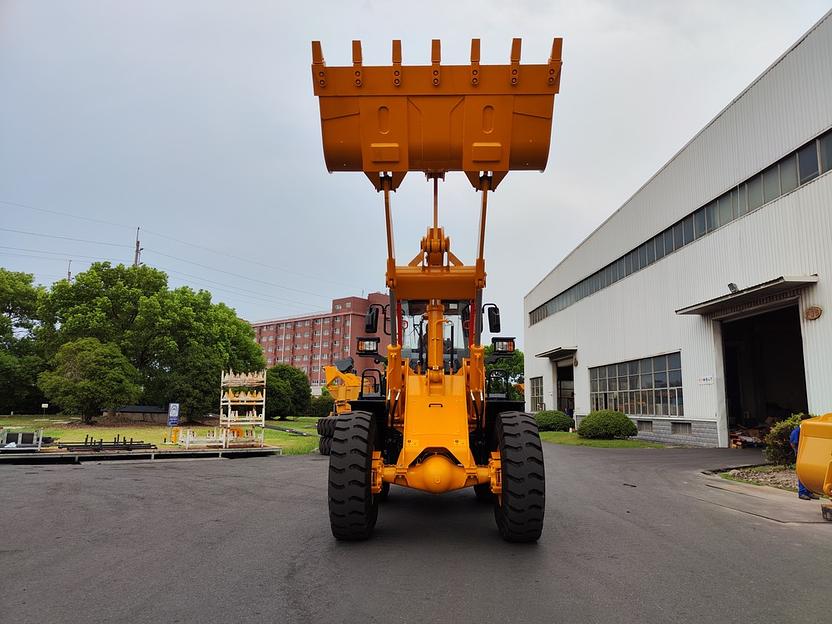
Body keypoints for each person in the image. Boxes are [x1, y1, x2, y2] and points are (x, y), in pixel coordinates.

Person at [790, 424, 819, 500]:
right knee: (802, 473)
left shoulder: (808, 429)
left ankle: (809, 492)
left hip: (808, 454)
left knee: (809, 473)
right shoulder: (797, 431)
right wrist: (797, 452)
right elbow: (793, 443)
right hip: (802, 455)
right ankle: (802, 492)